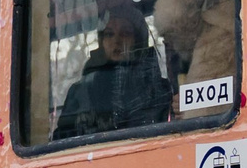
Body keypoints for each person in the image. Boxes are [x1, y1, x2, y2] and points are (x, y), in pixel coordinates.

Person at [55, 7, 171, 138]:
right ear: (102, 41)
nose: (116, 40)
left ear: (138, 41)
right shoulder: (80, 92)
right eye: (109, 34)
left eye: (125, 33)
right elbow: (62, 138)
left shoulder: (160, 89)